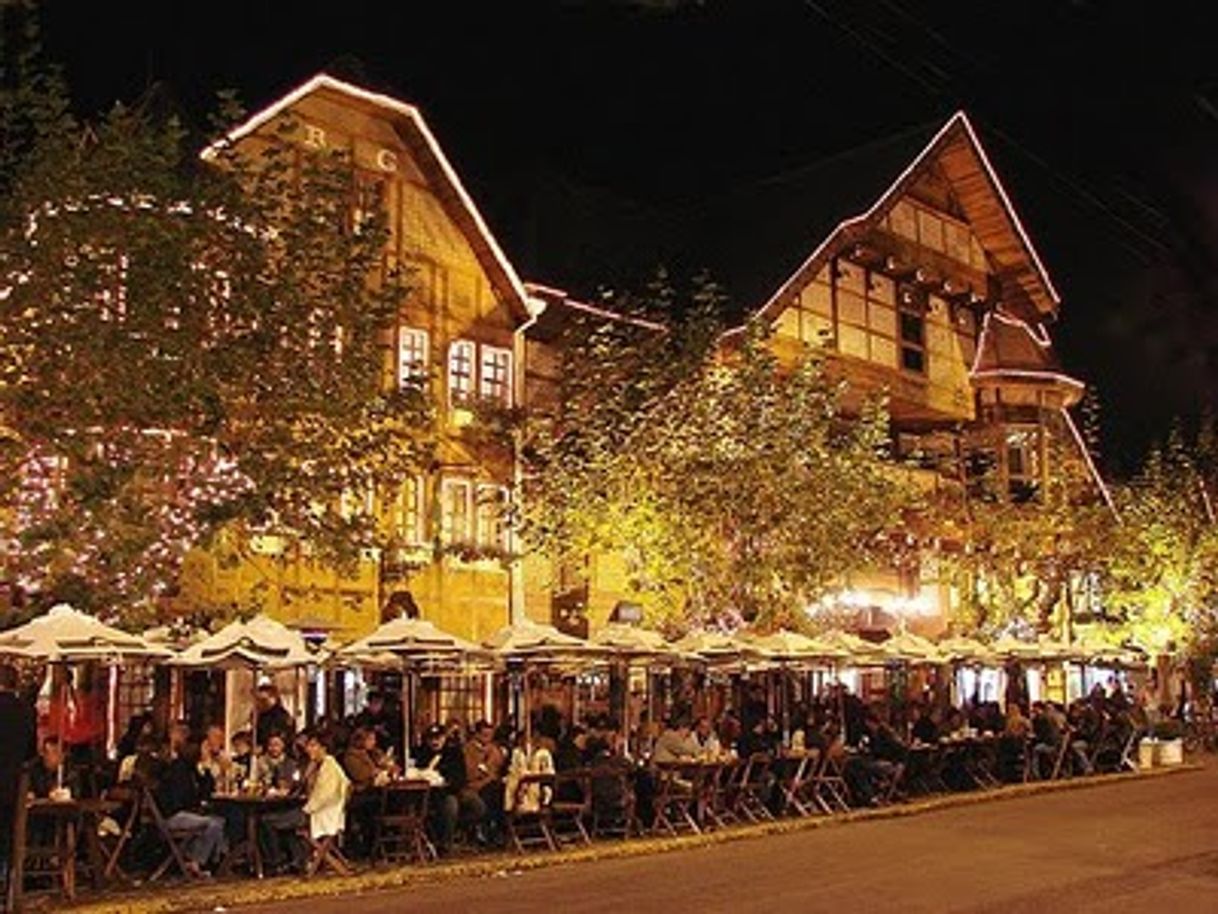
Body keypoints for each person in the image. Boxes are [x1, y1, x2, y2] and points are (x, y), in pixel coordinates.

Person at [154, 741, 227, 876]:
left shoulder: (191, 768)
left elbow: (205, 791)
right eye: (205, 747)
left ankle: (213, 860)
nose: (208, 750)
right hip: (173, 816)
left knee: (220, 820)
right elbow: (185, 798)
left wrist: (206, 770)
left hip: (185, 812)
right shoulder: (178, 769)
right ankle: (197, 861)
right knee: (214, 824)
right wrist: (199, 805)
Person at [0, 664, 36, 880]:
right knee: (7, 833)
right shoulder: (25, 710)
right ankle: (6, 879)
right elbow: (30, 751)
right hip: (12, 783)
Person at [414, 723, 466, 855]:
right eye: (431, 739)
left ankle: (460, 832)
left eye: (438, 738)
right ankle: (445, 843)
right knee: (450, 805)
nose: (435, 742)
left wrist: (449, 783)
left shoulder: (454, 753)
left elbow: (460, 776)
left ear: (444, 738)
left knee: (477, 805)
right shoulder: (420, 753)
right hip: (428, 794)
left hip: (451, 789)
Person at [463, 720, 505, 841]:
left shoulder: (494, 749)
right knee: (494, 790)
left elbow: (498, 767)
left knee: (499, 790)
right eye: (485, 735)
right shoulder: (468, 750)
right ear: (477, 734)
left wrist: (488, 773)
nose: (488, 739)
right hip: (474, 786)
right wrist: (487, 774)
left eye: (490, 735)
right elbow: (471, 774)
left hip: (491, 785)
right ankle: (489, 828)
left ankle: (495, 828)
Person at [255, 684, 295, 749]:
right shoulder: (262, 715)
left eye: (263, 700)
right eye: (258, 700)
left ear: (273, 698)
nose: (259, 703)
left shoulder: (281, 716)